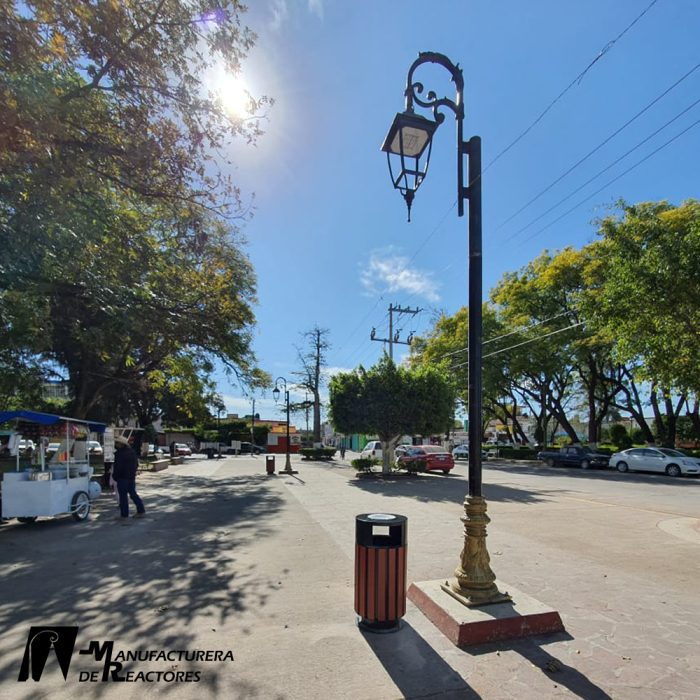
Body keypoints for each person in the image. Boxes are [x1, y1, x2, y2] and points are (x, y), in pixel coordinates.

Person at [112, 435, 145, 522]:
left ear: (121, 444)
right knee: (133, 494)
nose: (115, 444)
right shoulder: (132, 452)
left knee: (123, 497)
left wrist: (115, 476)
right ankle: (141, 510)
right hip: (131, 477)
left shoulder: (119, 454)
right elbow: (136, 465)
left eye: (117, 443)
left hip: (122, 477)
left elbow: (118, 467)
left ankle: (124, 515)